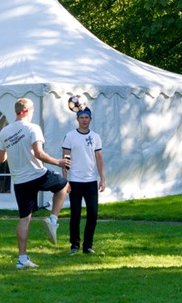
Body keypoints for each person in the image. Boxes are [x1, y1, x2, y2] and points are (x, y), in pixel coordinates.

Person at [0, 98, 69, 270]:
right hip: (37, 175)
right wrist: (58, 162)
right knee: (63, 184)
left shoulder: (4, 131)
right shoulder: (33, 128)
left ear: (17, 111)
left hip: (20, 181)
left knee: (24, 219)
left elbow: (0, 159)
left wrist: (9, 150)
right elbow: (39, 153)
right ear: (28, 110)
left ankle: (22, 259)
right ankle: (53, 219)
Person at [62, 107, 106, 255]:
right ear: (77, 119)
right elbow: (65, 159)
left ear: (91, 119)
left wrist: (102, 179)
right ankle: (74, 246)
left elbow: (99, 159)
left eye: (87, 117)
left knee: (93, 214)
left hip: (90, 181)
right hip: (74, 180)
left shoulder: (95, 137)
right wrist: (65, 181)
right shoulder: (70, 136)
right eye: (82, 117)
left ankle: (88, 246)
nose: (84, 120)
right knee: (75, 215)